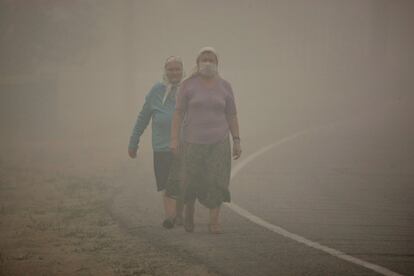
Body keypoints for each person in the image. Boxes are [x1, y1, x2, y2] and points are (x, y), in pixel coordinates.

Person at [170, 47, 242, 234]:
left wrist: (236, 140)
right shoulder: (188, 85)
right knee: (191, 180)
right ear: (198, 62)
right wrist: (174, 139)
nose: (208, 63)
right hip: (193, 141)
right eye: (204, 59)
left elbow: (232, 114)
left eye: (211, 60)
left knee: (217, 180)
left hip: (219, 142)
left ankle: (214, 221)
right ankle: (189, 212)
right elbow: (178, 113)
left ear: (217, 63)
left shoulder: (225, 86)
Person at [128, 56, 184, 229]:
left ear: (182, 71)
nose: (174, 72)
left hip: (185, 146)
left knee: (182, 183)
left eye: (177, 69)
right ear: (165, 71)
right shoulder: (156, 91)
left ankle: (178, 215)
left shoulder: (188, 89)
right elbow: (143, 117)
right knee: (167, 184)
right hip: (161, 147)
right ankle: (170, 217)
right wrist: (133, 141)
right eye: (170, 69)